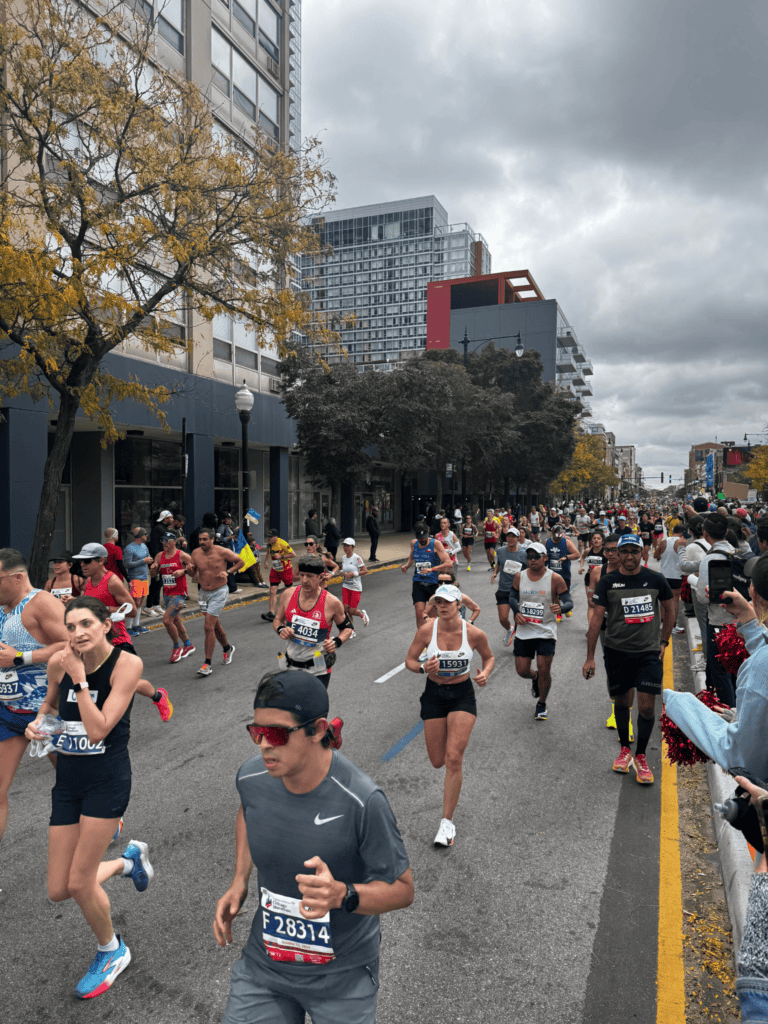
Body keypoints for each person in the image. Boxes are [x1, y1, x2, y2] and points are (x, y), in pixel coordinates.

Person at [214, 670, 413, 1024]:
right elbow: (248, 812)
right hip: (265, 968)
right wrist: (239, 880)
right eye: (256, 732)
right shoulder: (252, 777)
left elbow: (402, 890)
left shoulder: (362, 800)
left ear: (318, 729)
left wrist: (343, 895)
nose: (263, 745)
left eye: (275, 733)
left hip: (343, 977)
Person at [24, 597, 154, 999]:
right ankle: (126, 861)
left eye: (86, 624)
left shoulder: (126, 664)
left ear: (104, 624)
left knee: (80, 882)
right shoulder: (58, 662)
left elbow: (97, 730)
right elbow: (49, 705)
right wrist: (38, 724)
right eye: (71, 626)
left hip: (107, 780)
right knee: (59, 889)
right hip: (69, 780)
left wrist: (79, 679)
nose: (78, 633)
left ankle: (112, 951)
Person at [662, 559, 768, 783]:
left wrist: (683, 707)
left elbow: (742, 759)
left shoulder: (759, 669)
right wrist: (749, 622)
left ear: (754, 593)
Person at [405, 584, 493, 846]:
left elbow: (489, 658)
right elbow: (409, 660)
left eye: (448, 602)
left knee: (454, 757)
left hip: (462, 695)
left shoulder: (474, 633)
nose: (442, 606)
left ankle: (447, 824)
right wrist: (422, 668)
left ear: (459, 606)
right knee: (437, 761)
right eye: (438, 602)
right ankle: (448, 811)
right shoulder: (426, 631)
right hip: (433, 694)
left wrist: (485, 673)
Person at [583, 534, 675, 784]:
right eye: (625, 551)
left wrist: (664, 641)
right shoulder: (608, 581)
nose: (630, 556)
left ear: (641, 554)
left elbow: (669, 607)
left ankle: (641, 756)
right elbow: (596, 619)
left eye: (635, 551)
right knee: (622, 704)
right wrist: (590, 657)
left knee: (646, 708)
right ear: (619, 554)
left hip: (648, 653)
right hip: (617, 651)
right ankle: (625, 749)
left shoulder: (655, 579)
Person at [0, 548, 68, 844]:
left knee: (73, 782)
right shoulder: (2, 607)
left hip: (47, 713)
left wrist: (20, 658)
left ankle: (106, 818)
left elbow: (72, 643)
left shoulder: (41, 604)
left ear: (16, 577)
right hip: (8, 713)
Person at [72, 544, 173, 721]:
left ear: (101, 560)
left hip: (117, 641)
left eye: (87, 561)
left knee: (127, 684)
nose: (83, 565)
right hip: (96, 643)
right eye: (81, 562)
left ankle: (158, 697)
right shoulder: (88, 583)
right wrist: (75, 602)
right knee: (101, 683)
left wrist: (102, 607)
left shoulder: (112, 582)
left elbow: (132, 611)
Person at [509, 542, 570, 721]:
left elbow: (568, 600)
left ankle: (542, 703)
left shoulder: (555, 578)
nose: (532, 560)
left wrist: (563, 608)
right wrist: (516, 612)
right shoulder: (520, 576)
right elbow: (512, 596)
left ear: (545, 557)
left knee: (544, 668)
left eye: (536, 556)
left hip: (546, 631)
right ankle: (534, 677)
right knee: (522, 670)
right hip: (524, 631)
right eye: (529, 557)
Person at [272, 554, 354, 688]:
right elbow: (277, 620)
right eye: (302, 575)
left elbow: (347, 628)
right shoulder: (288, 594)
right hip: (290, 666)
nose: (304, 580)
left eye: (309, 576)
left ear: (321, 576)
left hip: (318, 670)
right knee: (292, 707)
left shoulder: (332, 602)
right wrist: (281, 629)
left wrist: (336, 642)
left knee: (314, 708)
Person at [696, 514, 739, 707]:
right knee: (738, 671)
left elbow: (703, 597)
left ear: (705, 534)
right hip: (743, 622)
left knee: (720, 673)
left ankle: (728, 716)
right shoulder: (741, 553)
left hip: (719, 624)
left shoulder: (710, 559)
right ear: (727, 532)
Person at [190, 529, 243, 676]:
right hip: (203, 593)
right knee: (214, 624)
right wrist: (188, 570)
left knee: (208, 626)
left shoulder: (222, 551)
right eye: (200, 539)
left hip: (219, 591)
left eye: (205, 539)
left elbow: (240, 561)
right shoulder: (195, 553)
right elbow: (193, 573)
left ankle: (207, 664)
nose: (202, 542)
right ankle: (227, 648)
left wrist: (228, 571)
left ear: (212, 539)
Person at [150, 532, 195, 663]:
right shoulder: (159, 555)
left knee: (166, 620)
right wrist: (153, 569)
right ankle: (188, 645)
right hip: (167, 593)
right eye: (162, 540)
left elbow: (195, 570)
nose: (164, 543)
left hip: (180, 593)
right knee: (176, 621)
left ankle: (177, 648)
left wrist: (184, 571)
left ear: (175, 542)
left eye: (167, 540)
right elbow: (154, 574)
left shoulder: (182, 555)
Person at [400, 523, 452, 629]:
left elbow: (448, 563)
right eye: (420, 538)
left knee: (431, 617)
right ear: (415, 536)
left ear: (428, 533)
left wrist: (431, 569)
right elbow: (412, 557)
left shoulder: (436, 544)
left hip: (433, 584)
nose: (422, 540)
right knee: (419, 615)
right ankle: (423, 643)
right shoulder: (414, 543)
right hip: (418, 582)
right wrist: (406, 566)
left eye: (424, 538)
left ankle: (433, 642)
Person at [490, 528, 528, 647]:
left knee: (518, 617)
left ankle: (517, 640)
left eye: (513, 536)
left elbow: (528, 570)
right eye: (508, 536)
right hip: (503, 589)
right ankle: (509, 629)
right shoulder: (500, 551)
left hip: (518, 591)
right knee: (503, 618)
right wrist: (495, 572)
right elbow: (499, 564)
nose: (510, 538)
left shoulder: (524, 553)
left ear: (518, 538)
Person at [653, 524, 686, 634]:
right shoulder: (683, 542)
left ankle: (663, 623)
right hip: (677, 575)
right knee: (675, 601)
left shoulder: (664, 541)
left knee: (664, 600)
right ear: (682, 532)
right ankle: (674, 625)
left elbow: (656, 556)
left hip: (664, 575)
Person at [545, 524, 580, 617]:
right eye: (557, 537)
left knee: (564, 594)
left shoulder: (567, 542)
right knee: (554, 595)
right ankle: (559, 613)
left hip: (564, 574)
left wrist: (566, 557)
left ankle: (566, 608)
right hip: (552, 574)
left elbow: (577, 555)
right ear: (552, 533)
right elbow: (543, 557)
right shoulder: (547, 542)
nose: (559, 538)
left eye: (560, 536)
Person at [261, 530, 295, 623]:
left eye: (270, 536)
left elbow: (293, 554)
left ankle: (292, 610)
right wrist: (265, 561)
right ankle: (271, 613)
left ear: (276, 536)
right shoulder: (269, 544)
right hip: (275, 569)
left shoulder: (283, 543)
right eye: (268, 536)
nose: (268, 538)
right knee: (272, 591)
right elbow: (268, 552)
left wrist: (281, 556)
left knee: (289, 590)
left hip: (286, 569)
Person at [145, 510, 175, 616]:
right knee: (155, 583)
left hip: (162, 560)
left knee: (160, 583)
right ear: (165, 519)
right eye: (171, 518)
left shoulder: (163, 529)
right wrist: (157, 562)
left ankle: (156, 605)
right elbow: (155, 547)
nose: (172, 519)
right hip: (157, 561)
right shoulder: (159, 529)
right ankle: (148, 607)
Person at [123, 528, 152, 634]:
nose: (146, 535)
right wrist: (143, 561)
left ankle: (136, 625)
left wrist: (150, 562)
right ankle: (128, 627)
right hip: (135, 578)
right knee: (135, 602)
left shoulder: (144, 546)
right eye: (145, 534)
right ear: (140, 535)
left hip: (144, 578)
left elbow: (148, 557)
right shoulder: (129, 548)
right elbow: (127, 564)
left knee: (140, 603)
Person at [340, 538, 370, 629]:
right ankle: (350, 630)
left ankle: (362, 614)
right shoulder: (343, 558)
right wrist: (342, 572)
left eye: (348, 546)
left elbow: (365, 571)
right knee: (346, 609)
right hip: (346, 586)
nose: (345, 548)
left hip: (355, 587)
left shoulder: (357, 558)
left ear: (353, 547)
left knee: (352, 610)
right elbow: (344, 569)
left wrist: (353, 574)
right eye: (344, 546)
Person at [217, 514, 242, 596]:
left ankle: (230, 587)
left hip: (229, 550)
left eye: (230, 518)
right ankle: (232, 587)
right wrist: (227, 538)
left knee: (229, 568)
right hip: (225, 551)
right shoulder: (222, 527)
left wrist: (234, 533)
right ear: (223, 520)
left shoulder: (228, 527)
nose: (230, 520)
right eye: (228, 518)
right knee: (229, 569)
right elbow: (218, 539)